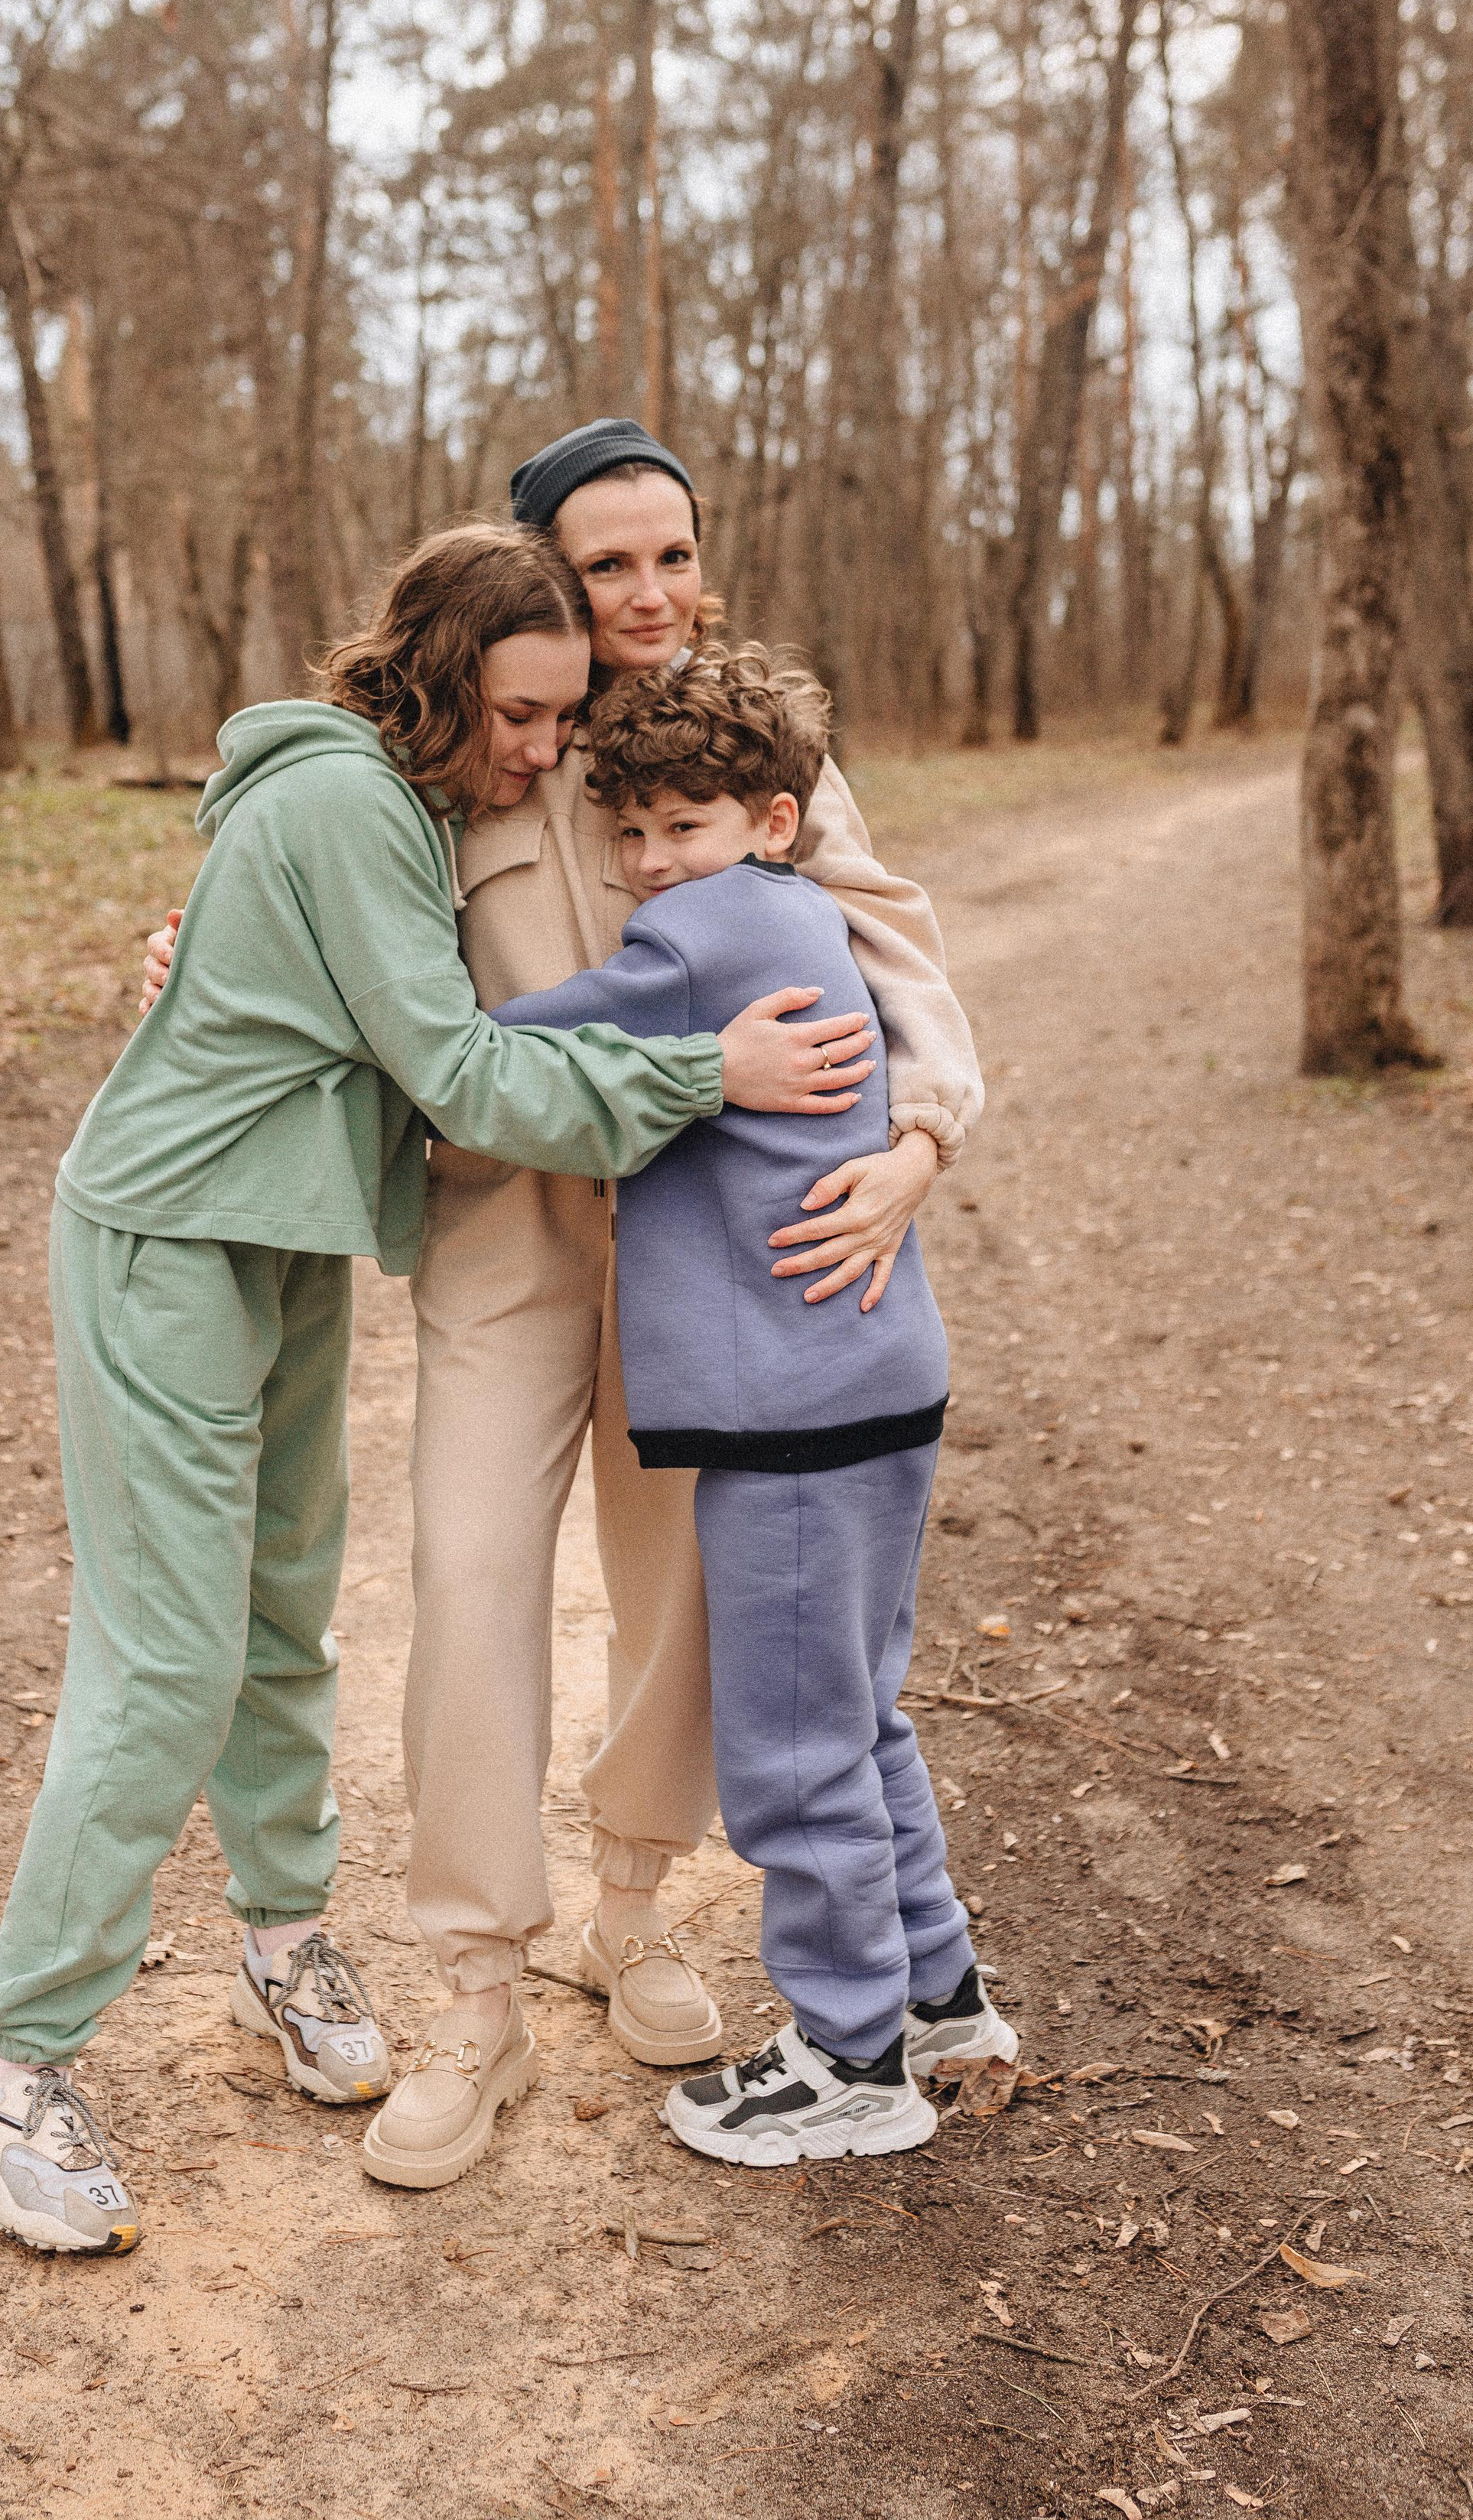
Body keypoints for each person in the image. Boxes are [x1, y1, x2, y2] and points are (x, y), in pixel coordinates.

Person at [0, 523, 850, 2255]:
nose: (543, 755)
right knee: (171, 1658)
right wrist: (701, 1074)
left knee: (284, 1619)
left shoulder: (406, 800)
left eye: (560, 719)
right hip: (164, 1240)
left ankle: (283, 1935)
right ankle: (8, 2064)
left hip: (284, 1240)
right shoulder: (352, 802)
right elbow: (456, 1072)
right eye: (516, 717)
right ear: (434, 677)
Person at [141, 418, 984, 2193]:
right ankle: (471, 1990)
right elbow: (323, 906)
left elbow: (894, 950)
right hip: (506, 1236)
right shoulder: (467, 751)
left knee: (681, 1590)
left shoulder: (749, 754)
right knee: (465, 1580)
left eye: (671, 555)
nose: (649, 594)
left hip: (713, 1261)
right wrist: (194, 942)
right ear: (543, 576)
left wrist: (916, 1143)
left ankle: (628, 1908)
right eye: (608, 565)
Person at [490, 645, 1018, 2164]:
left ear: (773, 822)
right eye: (631, 831)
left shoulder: (707, 931)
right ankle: (937, 1998)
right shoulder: (795, 913)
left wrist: (396, 1031)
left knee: (786, 1748)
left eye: (689, 825)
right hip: (872, 1380)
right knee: (856, 1717)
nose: (654, 862)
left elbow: (540, 1039)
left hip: (788, 1405)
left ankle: (847, 2060)